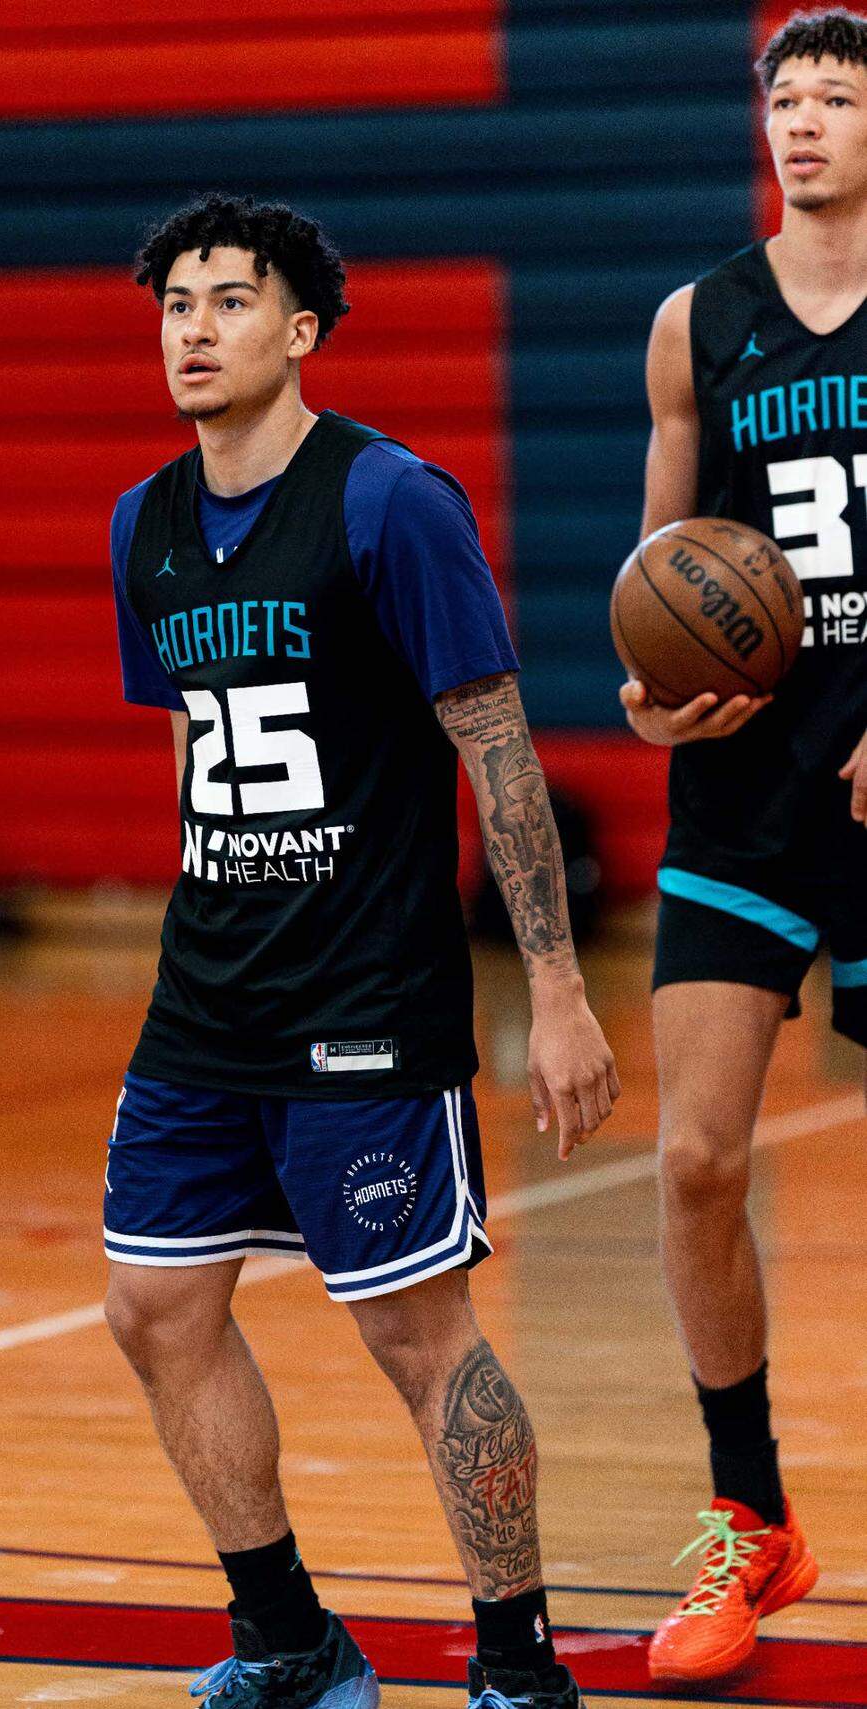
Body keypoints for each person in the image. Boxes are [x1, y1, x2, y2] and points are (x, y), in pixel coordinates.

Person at [105, 192, 619, 1709]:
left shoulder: (395, 503)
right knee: (153, 1305)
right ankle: (287, 1636)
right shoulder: (144, 524)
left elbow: (498, 747)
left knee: (414, 1328)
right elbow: (210, 758)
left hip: (366, 1008)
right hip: (206, 1003)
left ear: (302, 329)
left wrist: (562, 988)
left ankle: (519, 1662)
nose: (195, 330)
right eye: (176, 306)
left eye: (230, 302)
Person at [623, 8, 867, 1686]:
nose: (804, 125)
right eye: (784, 100)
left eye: (839, 101)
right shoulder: (697, 321)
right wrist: (648, 697)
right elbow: (664, 559)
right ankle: (750, 1518)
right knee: (699, 1158)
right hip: (746, 790)